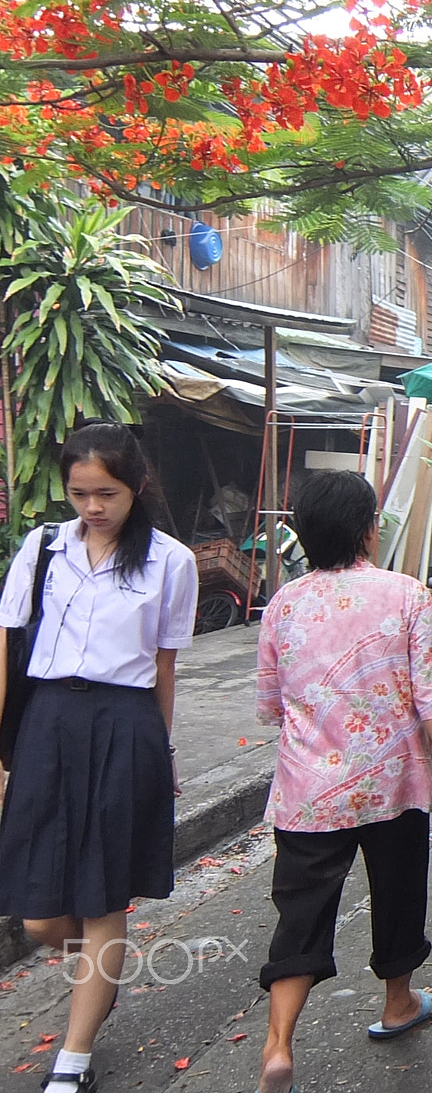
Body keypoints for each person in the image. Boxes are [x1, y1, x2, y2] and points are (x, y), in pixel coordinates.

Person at [253, 470, 432, 1093]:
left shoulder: (283, 606)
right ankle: (398, 1003)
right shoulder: (405, 595)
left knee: (301, 914)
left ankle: (277, 1044)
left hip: (308, 791)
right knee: (399, 894)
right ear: (370, 531)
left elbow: (271, 703)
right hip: (392, 785)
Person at [0, 420, 199, 1093]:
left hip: (125, 721)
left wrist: (163, 751)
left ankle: (74, 1058)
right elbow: (7, 650)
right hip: (47, 721)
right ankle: (100, 970)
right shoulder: (41, 548)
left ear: (135, 488)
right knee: (42, 914)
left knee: (103, 892)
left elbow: (165, 666)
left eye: (107, 492)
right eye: (80, 491)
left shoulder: (170, 560)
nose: (93, 506)